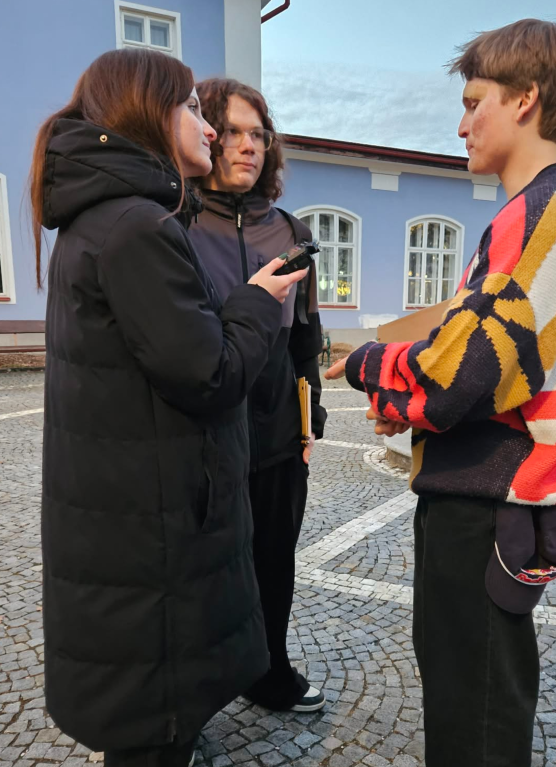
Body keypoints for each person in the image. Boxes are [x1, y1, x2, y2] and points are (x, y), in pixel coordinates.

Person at [325, 19, 556, 767]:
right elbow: (486, 359)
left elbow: (464, 373)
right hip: (485, 480)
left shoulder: (544, 212)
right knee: (461, 660)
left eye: (474, 101)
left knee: (476, 668)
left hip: (491, 489)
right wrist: (411, 406)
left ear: (526, 100)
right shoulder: (550, 208)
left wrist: (368, 369)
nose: (461, 123)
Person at [30, 48, 306, 767]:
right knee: (151, 746)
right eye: (192, 109)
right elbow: (210, 373)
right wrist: (253, 301)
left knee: (157, 733)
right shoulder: (136, 227)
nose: (212, 131)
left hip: (130, 510)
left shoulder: (102, 220)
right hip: (150, 532)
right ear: (150, 116)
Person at [188, 78, 327, 713]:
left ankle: (269, 671)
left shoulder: (290, 230)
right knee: (205, 571)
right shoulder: (177, 225)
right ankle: (201, 691)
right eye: (235, 132)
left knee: (275, 562)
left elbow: (306, 338)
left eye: (259, 135)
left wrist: (311, 415)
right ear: (208, 135)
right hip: (204, 438)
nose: (249, 147)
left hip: (275, 437)